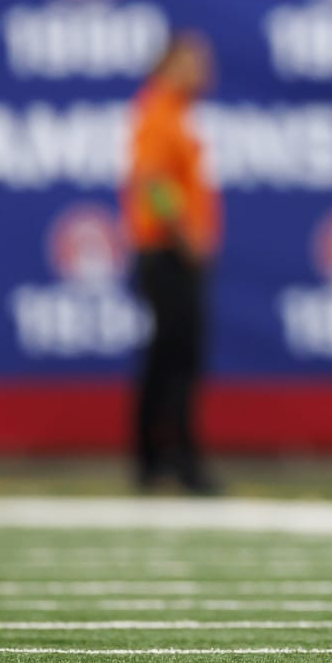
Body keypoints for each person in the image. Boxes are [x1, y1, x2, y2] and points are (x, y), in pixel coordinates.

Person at [122, 31, 221, 495]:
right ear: (169, 66)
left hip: (168, 250)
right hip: (165, 252)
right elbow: (154, 183)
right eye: (194, 61)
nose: (204, 70)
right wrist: (187, 234)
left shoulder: (175, 113)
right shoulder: (160, 113)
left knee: (171, 357)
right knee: (175, 358)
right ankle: (173, 458)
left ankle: (158, 457)